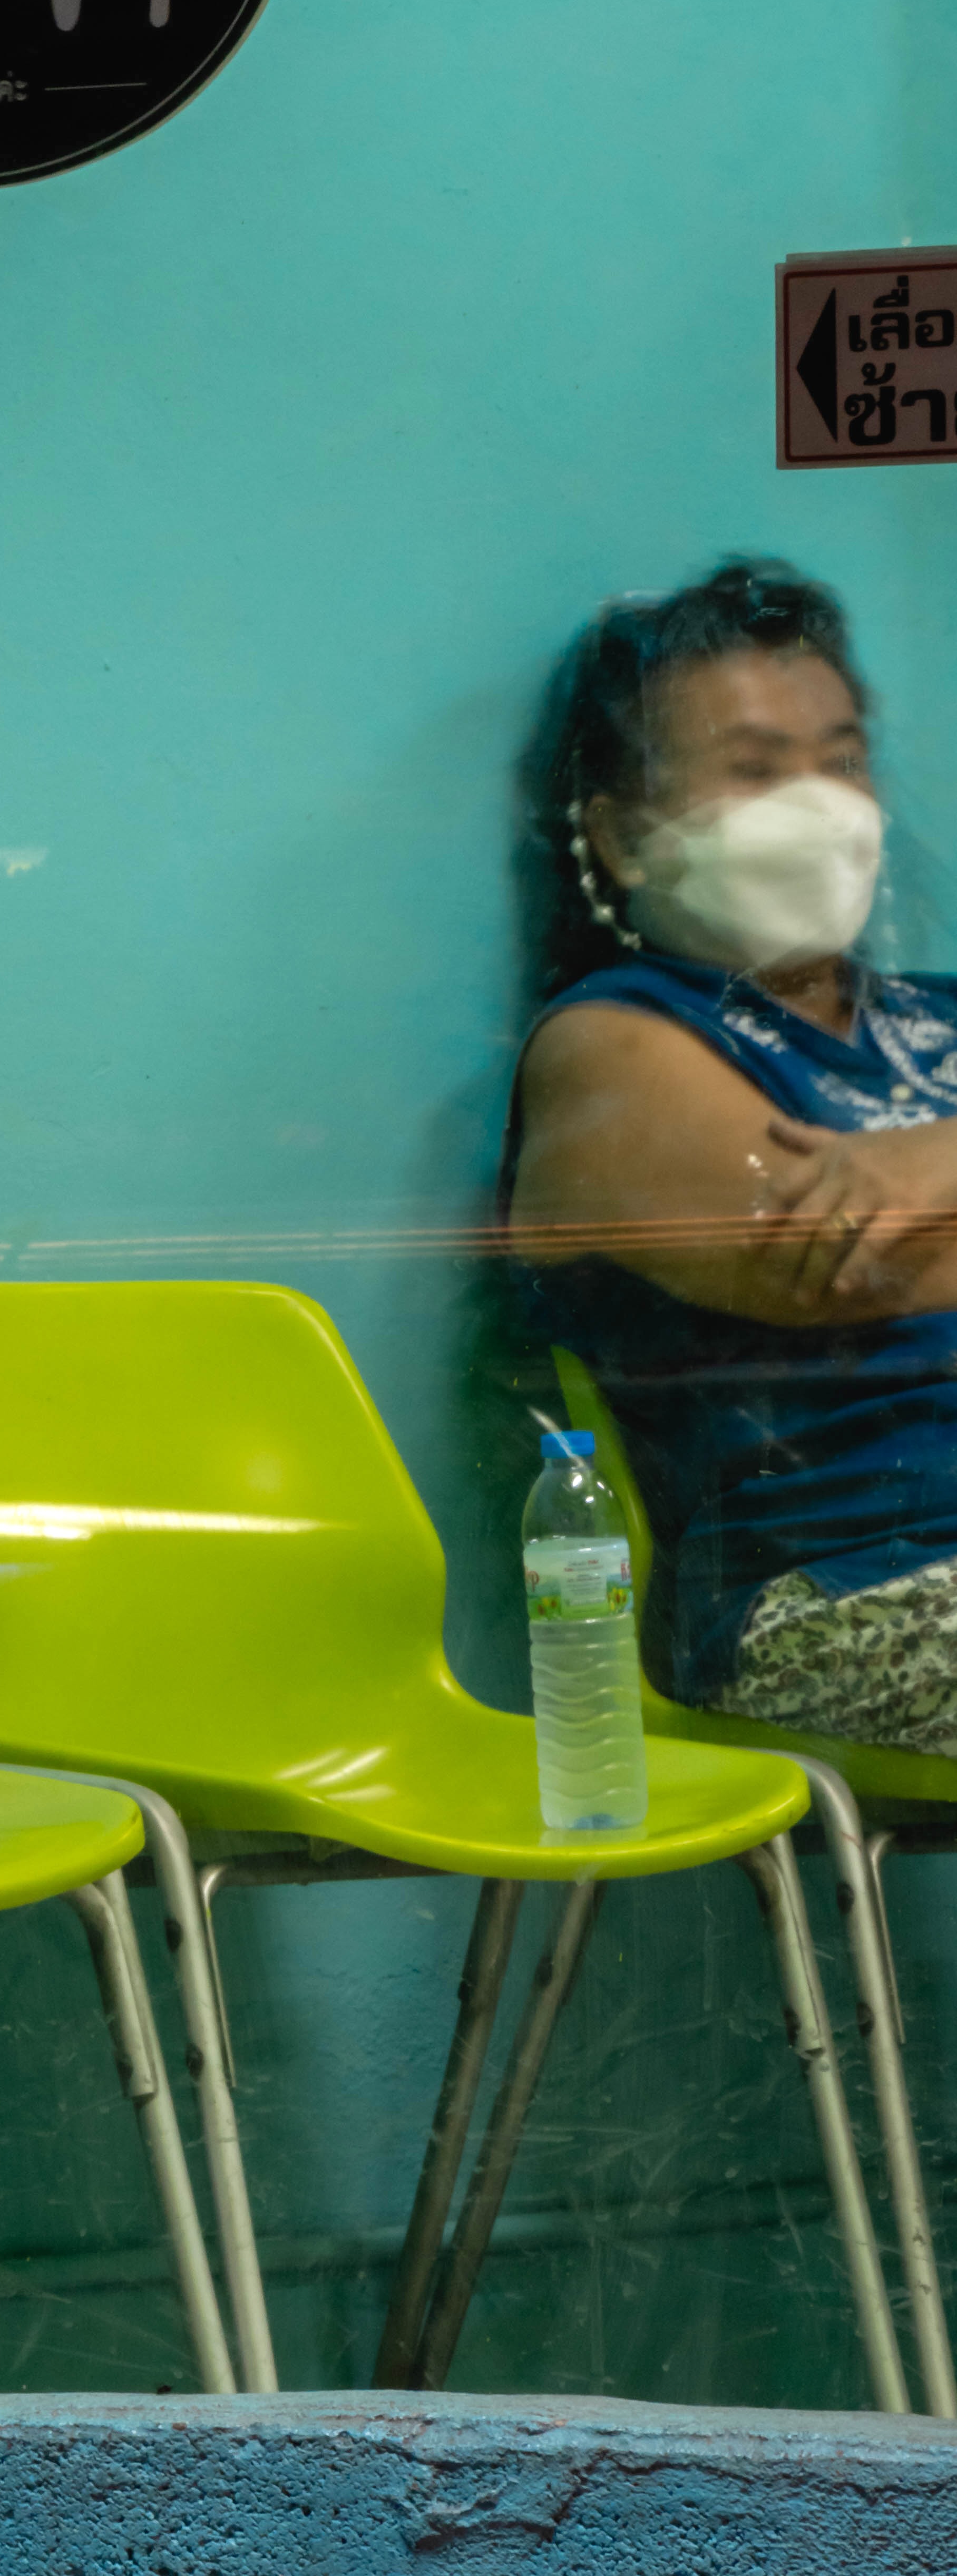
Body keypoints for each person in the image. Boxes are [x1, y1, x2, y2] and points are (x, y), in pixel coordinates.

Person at [508, 556, 957, 1754]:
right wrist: (911, 1188)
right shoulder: (615, 1046)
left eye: (843, 758)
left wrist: (943, 1161)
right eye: (755, 770)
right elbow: (853, 1268)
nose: (822, 805)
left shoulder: (941, 1014)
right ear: (626, 836)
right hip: (848, 1591)